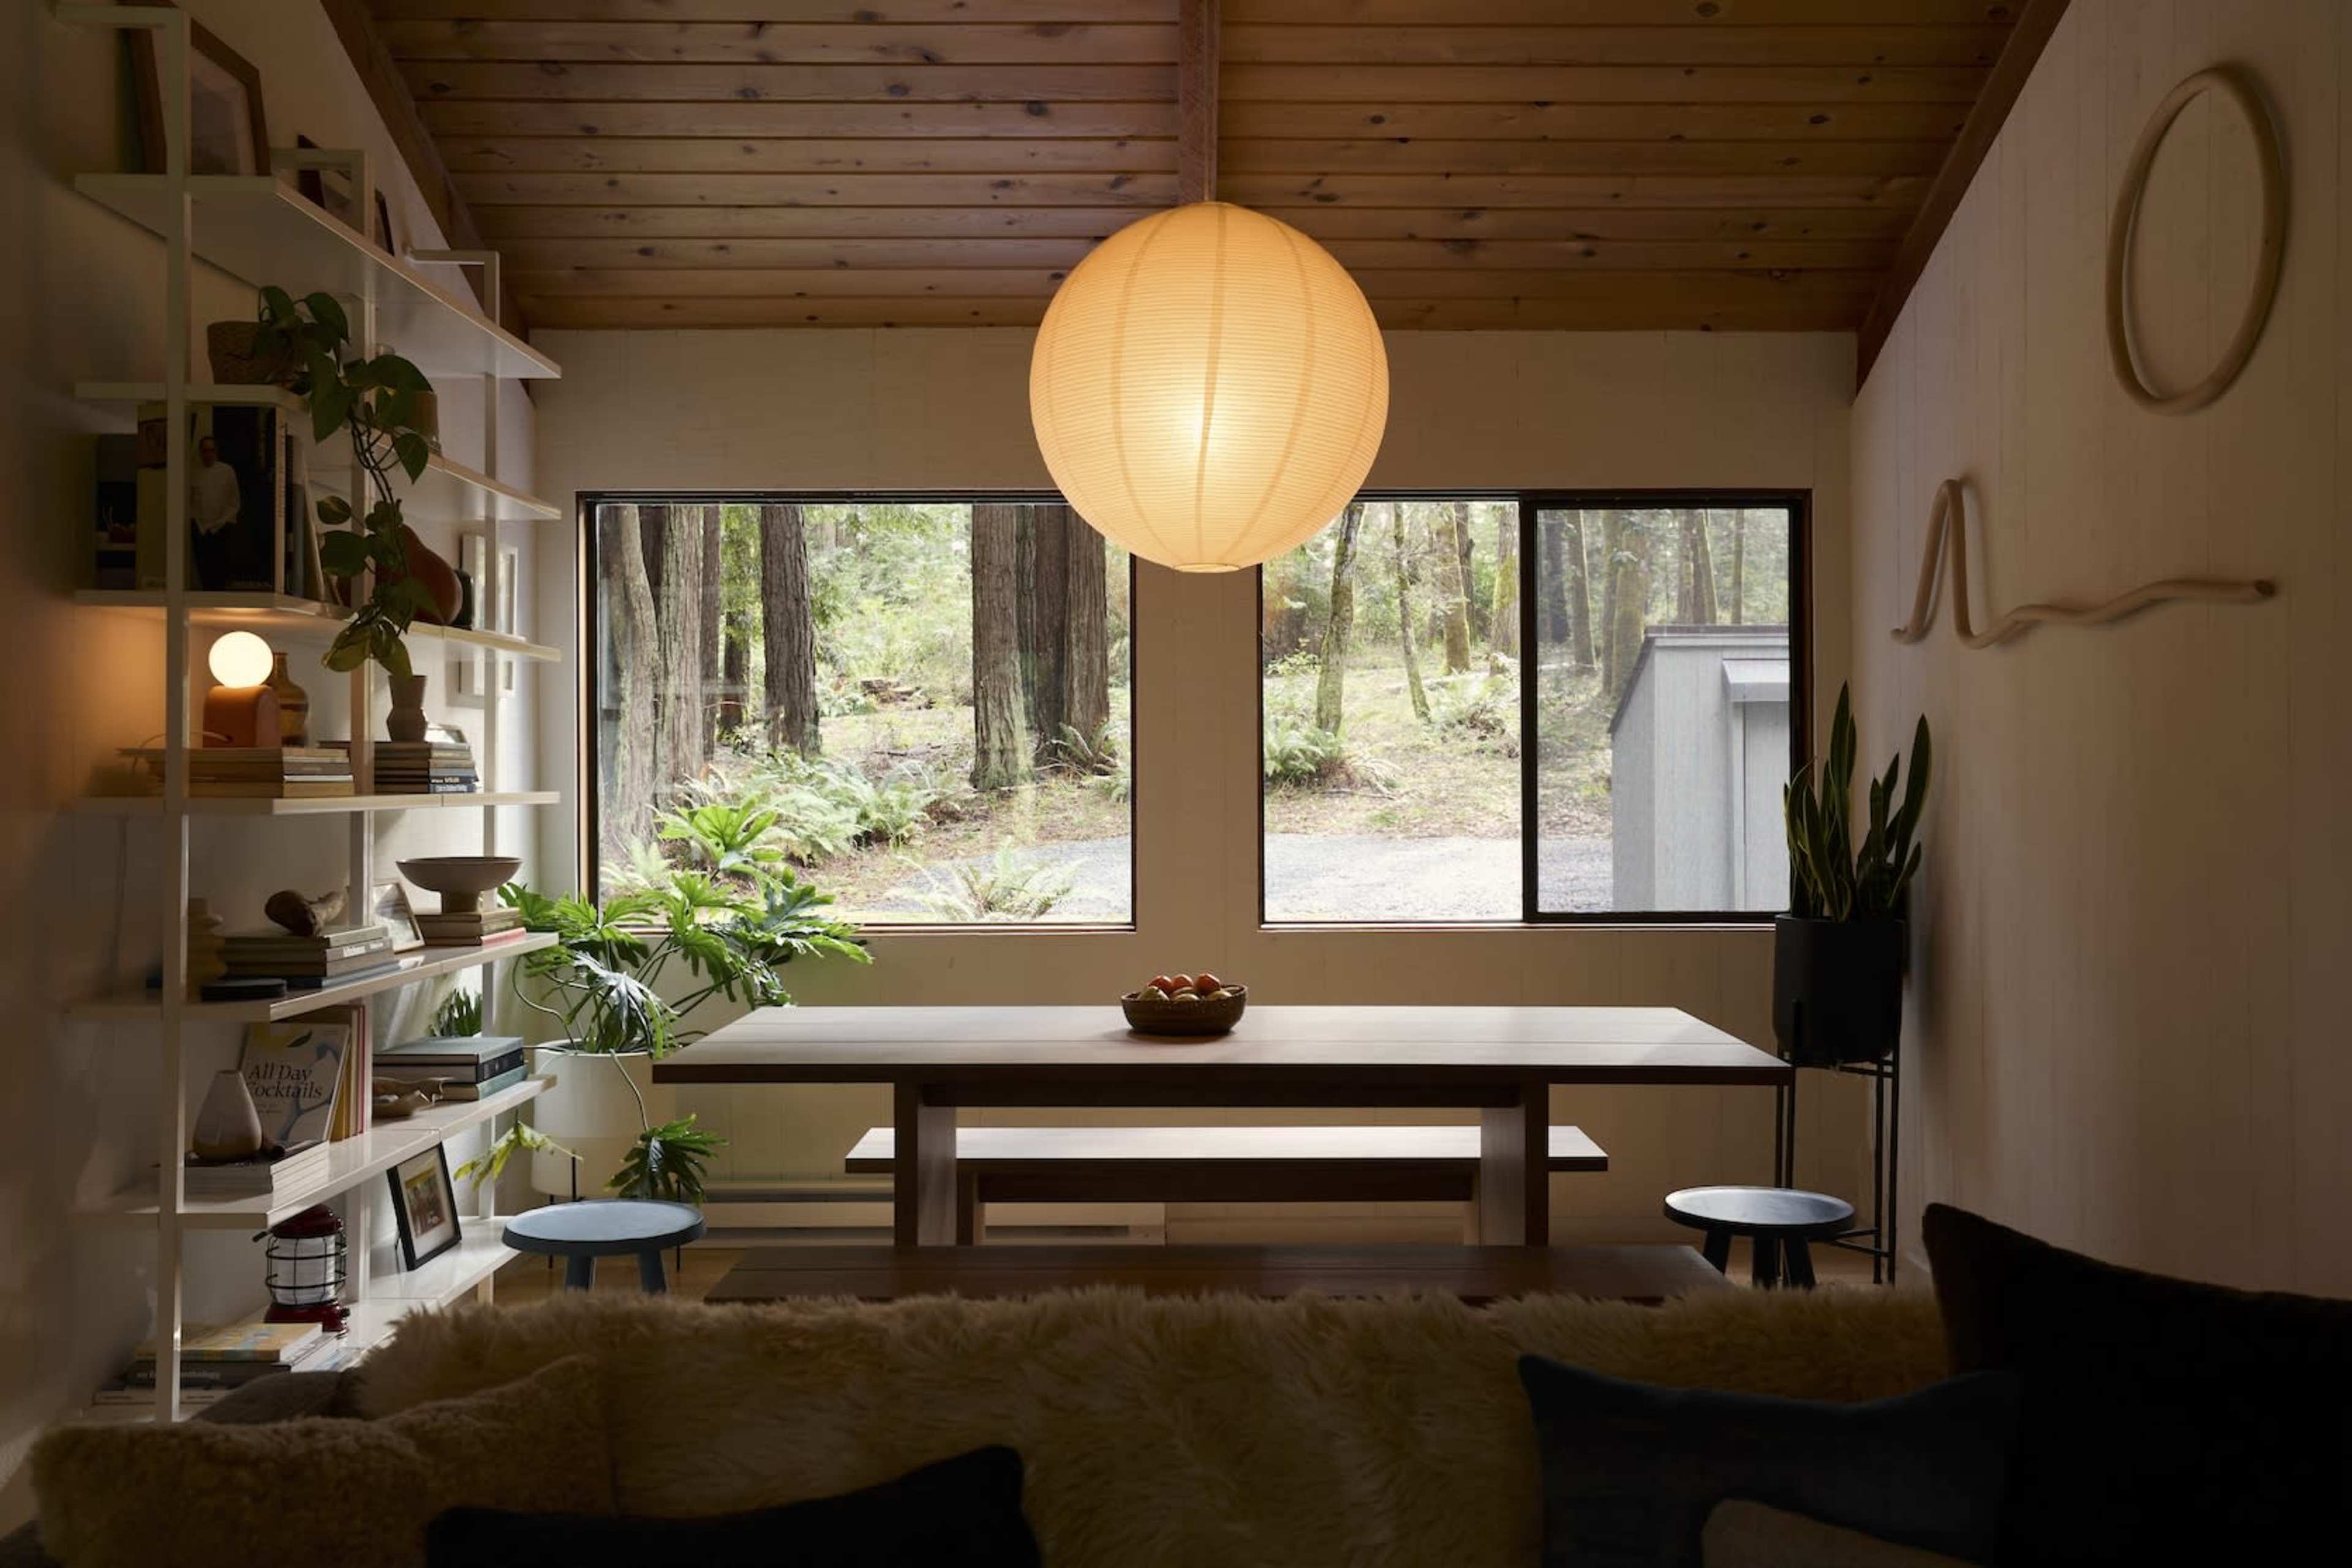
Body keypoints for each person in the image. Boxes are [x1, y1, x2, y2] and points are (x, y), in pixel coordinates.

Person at [189, 434, 243, 588]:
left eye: (211, 450)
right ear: (201, 453)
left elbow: (235, 502)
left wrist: (221, 523)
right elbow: (191, 502)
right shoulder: (194, 473)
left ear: (216, 452)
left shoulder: (227, 471)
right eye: (205, 451)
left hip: (222, 528)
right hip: (200, 529)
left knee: (221, 572)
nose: (208, 454)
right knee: (203, 572)